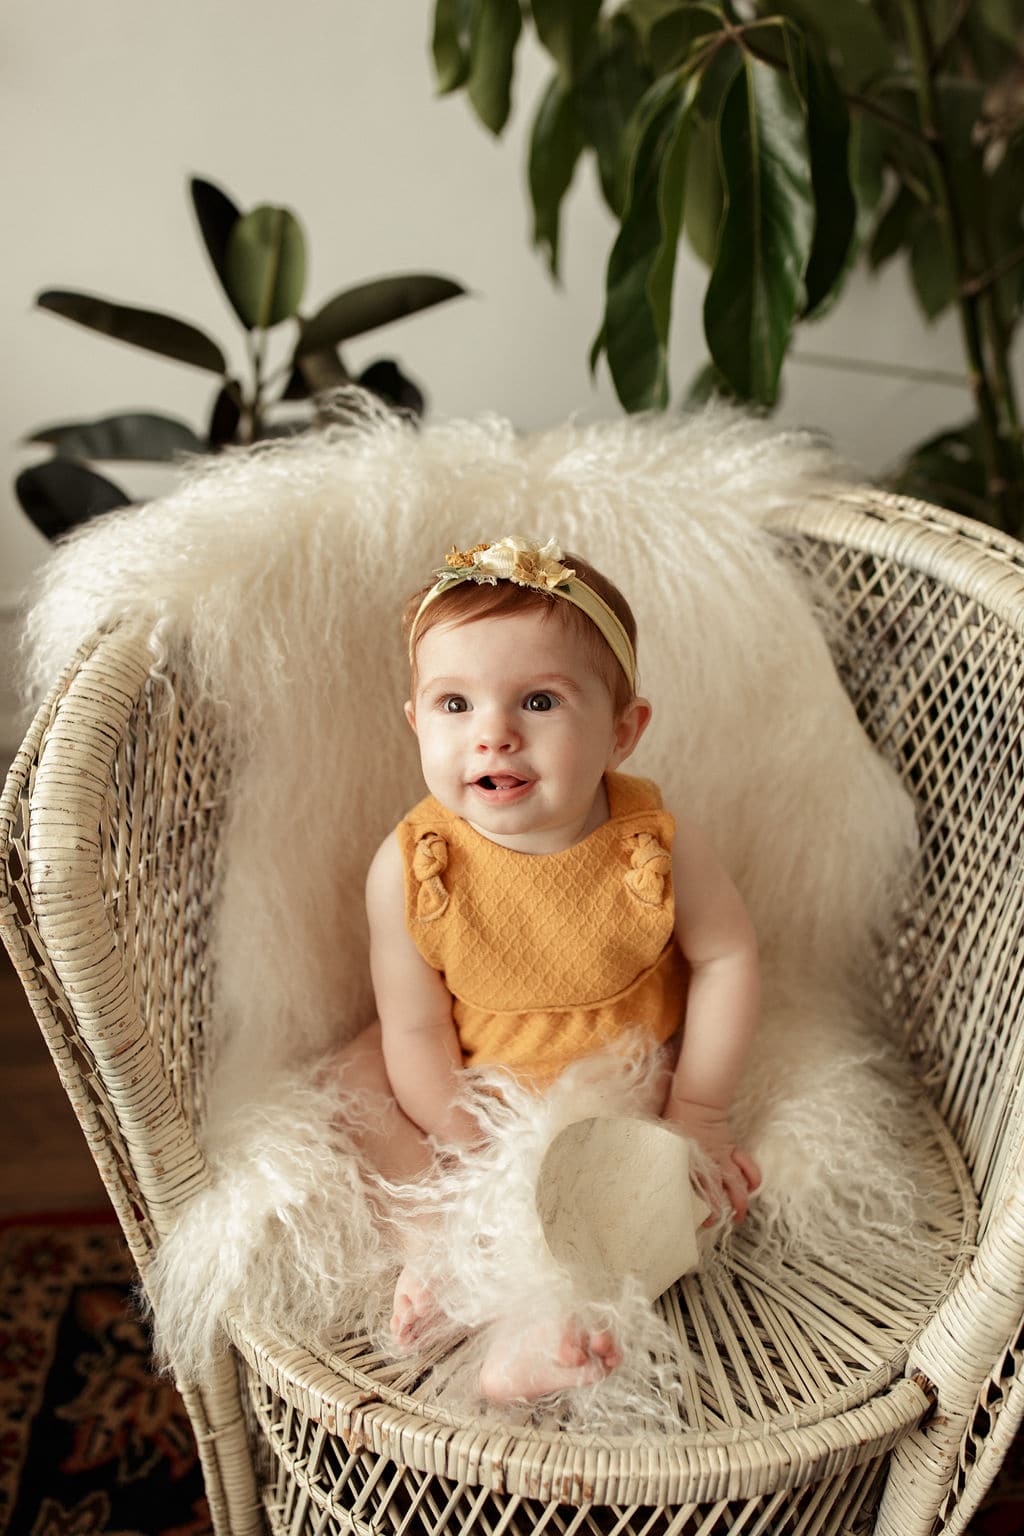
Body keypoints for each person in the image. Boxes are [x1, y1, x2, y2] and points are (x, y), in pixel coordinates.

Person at [339, 536, 761, 1402]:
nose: (493, 733)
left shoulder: (650, 845)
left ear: (621, 731)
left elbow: (727, 957)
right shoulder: (413, 864)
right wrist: (468, 1146)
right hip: (470, 1084)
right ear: (416, 721)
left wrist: (700, 1110)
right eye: (455, 704)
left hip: (622, 1073)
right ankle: (436, 1244)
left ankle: (546, 1328)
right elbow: (415, 1024)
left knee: (652, 1188)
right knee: (352, 1073)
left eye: (537, 700)